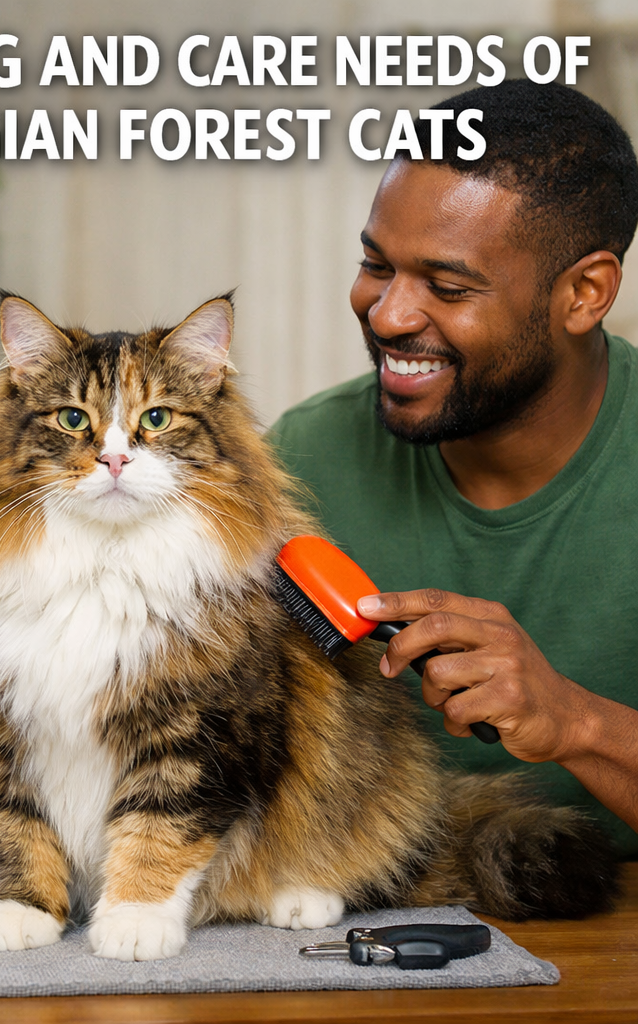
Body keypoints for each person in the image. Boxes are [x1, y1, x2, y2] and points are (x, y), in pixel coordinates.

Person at [271, 80, 638, 857]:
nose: (387, 314)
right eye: (376, 265)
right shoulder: (304, 458)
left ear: (584, 293)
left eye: (447, 287)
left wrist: (574, 722)